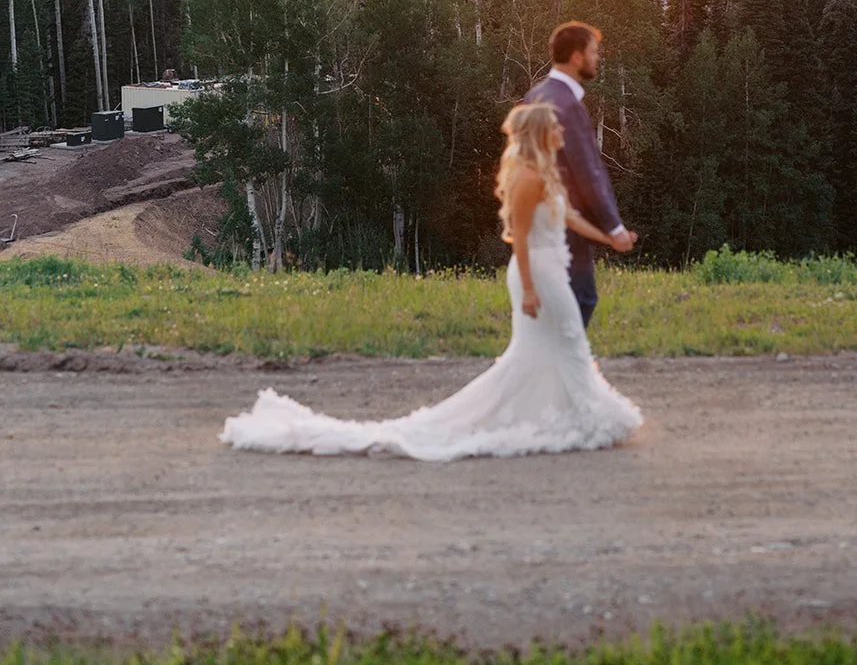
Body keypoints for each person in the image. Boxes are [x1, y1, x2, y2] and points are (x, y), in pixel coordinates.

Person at [219, 102, 642, 460]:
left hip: (552, 269)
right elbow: (521, 243)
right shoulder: (528, 180)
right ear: (538, 134)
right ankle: (584, 415)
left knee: (548, 350)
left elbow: (568, 218)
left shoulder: (546, 175)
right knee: (566, 341)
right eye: (554, 127)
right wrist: (530, 289)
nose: (560, 131)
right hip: (537, 273)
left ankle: (564, 411)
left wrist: (610, 238)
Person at [523, 21, 634, 327]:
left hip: (534, 219)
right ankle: (564, 368)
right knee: (580, 299)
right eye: (593, 52)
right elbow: (587, 171)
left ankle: (554, 367)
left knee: (551, 303)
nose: (597, 58)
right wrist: (613, 227)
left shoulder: (535, 96)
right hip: (566, 222)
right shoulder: (568, 105)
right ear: (576, 57)